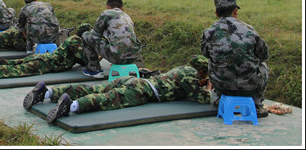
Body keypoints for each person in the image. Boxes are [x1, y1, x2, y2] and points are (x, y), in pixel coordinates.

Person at [26, 55, 213, 124]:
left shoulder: (180, 68)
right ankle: (72, 106)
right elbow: (204, 99)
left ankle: (48, 92)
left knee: (92, 88)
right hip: (143, 91)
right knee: (108, 99)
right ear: (202, 71)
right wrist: (208, 85)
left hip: (132, 80)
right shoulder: (190, 75)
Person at [201, 0, 269, 114]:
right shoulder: (249, 30)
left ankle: (218, 98)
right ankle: (257, 105)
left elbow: (206, 54)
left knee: (212, 61)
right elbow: (263, 54)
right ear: (235, 11)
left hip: (222, 85)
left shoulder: (209, 32)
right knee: (263, 64)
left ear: (216, 13)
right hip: (249, 86)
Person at [0, 34, 86, 82]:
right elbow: (85, 59)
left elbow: (82, 61)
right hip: (46, 63)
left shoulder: (73, 42)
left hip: (43, 58)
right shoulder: (76, 41)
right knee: (17, 70)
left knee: (12, 63)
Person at [80, 0, 143, 79]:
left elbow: (95, 35)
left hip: (117, 57)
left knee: (86, 36)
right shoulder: (127, 17)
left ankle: (93, 70)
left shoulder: (107, 13)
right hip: (134, 56)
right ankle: (117, 59)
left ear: (108, 7)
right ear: (122, 8)